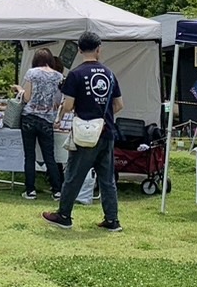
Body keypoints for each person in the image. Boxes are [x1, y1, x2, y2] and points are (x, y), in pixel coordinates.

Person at [44, 32, 123, 231]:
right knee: (107, 179)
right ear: (98, 49)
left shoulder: (76, 74)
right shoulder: (109, 74)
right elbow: (119, 104)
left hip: (84, 133)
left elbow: (69, 105)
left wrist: (66, 114)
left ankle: (64, 215)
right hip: (106, 131)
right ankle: (112, 220)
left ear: (79, 50)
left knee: (73, 175)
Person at [16, 47, 65, 199]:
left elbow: (27, 98)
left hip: (29, 118)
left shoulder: (32, 73)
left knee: (29, 156)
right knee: (49, 156)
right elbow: (58, 102)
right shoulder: (58, 76)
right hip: (47, 119)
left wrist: (20, 90)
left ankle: (30, 190)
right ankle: (57, 190)